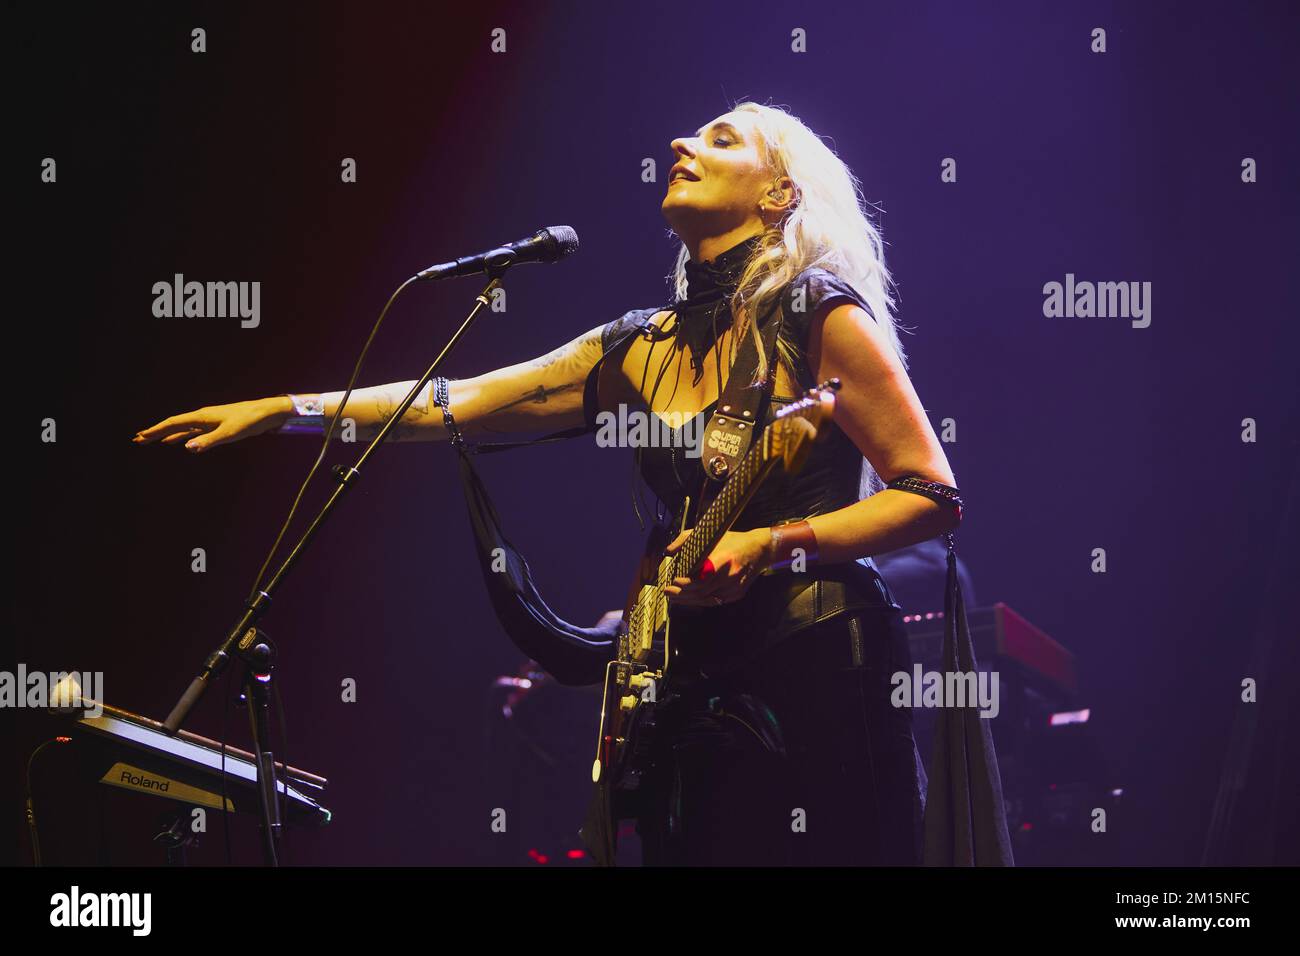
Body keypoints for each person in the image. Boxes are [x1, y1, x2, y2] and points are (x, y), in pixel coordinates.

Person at [135, 101, 962, 866]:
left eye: (719, 139)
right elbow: (458, 401)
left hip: (816, 663)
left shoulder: (818, 312)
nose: (681, 143)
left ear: (780, 193)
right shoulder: (644, 343)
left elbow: (930, 492)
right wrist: (288, 409)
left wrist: (773, 542)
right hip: (690, 684)